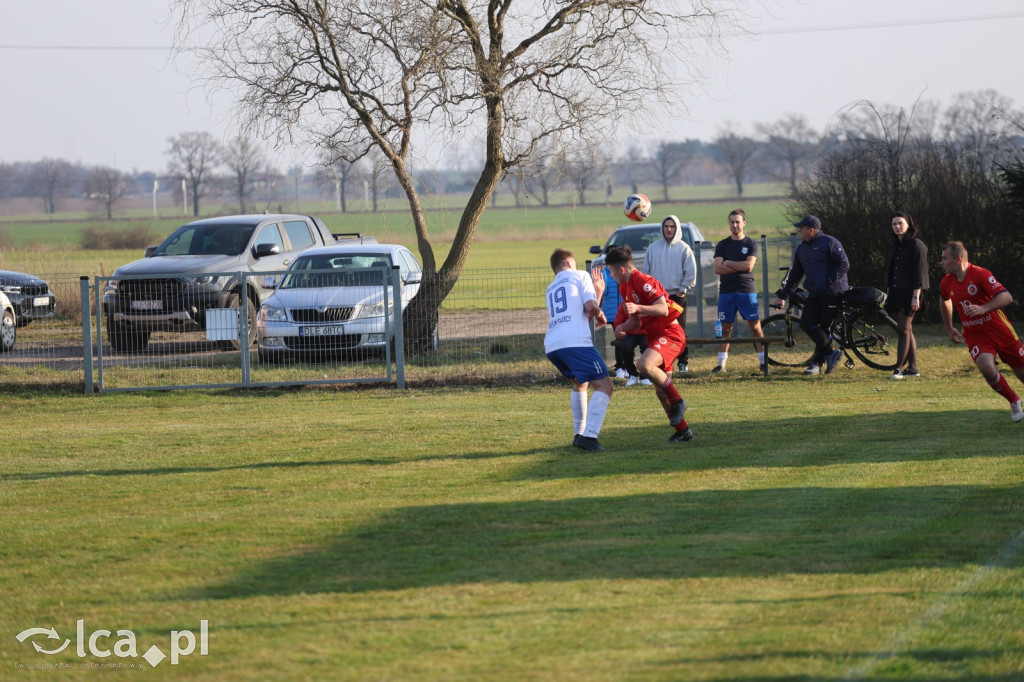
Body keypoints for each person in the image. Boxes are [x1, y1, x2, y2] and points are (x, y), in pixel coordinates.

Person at [604, 245, 693, 442]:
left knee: (643, 365)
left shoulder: (644, 281)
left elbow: (662, 309)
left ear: (621, 270)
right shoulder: (624, 286)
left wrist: (637, 306)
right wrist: (623, 328)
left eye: (610, 271)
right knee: (661, 392)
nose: (610, 275)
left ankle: (678, 401)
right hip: (655, 336)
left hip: (670, 332)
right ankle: (683, 431)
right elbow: (636, 320)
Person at [939, 241, 1024, 422]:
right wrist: (949, 328)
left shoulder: (980, 274)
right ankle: (1014, 400)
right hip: (975, 335)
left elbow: (1006, 297)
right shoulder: (947, 282)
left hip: (1000, 330)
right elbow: (944, 300)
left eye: (945, 258)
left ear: (958, 259)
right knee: (986, 368)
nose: (941, 262)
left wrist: (984, 308)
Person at [544, 248, 614, 452]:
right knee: (605, 386)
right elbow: (591, 309)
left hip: (553, 345)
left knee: (581, 382)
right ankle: (589, 437)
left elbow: (580, 317)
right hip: (574, 342)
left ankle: (579, 434)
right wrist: (600, 310)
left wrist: (598, 294)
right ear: (568, 264)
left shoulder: (551, 288)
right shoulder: (581, 275)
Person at [774, 215, 850, 375]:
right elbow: (795, 274)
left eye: (801, 228)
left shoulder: (829, 242)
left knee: (824, 328)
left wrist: (830, 281)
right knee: (807, 323)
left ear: (811, 230)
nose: (799, 231)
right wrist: (782, 295)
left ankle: (816, 363)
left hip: (832, 292)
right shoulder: (802, 248)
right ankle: (831, 353)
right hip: (815, 292)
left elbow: (843, 264)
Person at [712, 208, 765, 373]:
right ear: (729, 223)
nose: (735, 225)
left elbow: (749, 266)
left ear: (744, 223)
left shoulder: (750, 244)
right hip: (726, 292)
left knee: (755, 327)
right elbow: (717, 269)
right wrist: (738, 265)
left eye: (738, 222)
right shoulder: (722, 244)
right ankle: (721, 365)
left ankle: (763, 362)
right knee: (725, 328)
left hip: (746, 290)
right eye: (732, 222)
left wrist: (729, 263)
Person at [641, 215, 696, 373]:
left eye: (672, 226)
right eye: (666, 226)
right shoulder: (653, 249)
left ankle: (683, 362)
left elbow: (690, 273)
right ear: (662, 228)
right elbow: (647, 273)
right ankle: (661, 361)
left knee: (680, 331)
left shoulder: (684, 248)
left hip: (676, 297)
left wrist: (682, 290)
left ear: (677, 228)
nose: (669, 229)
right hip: (658, 299)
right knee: (658, 331)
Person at [885, 211, 929, 379]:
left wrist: (916, 296)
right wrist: (889, 293)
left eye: (900, 223)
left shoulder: (917, 245)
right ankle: (913, 368)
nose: (897, 227)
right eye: (894, 224)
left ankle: (898, 369)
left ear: (908, 224)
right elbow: (891, 271)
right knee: (907, 330)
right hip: (896, 292)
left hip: (910, 293)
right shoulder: (895, 245)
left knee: (903, 329)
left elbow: (921, 272)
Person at [592, 264, 650, 385]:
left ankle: (645, 376)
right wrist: (620, 328)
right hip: (631, 332)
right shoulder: (626, 297)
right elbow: (620, 316)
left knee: (646, 347)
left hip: (645, 331)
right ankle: (633, 375)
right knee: (625, 347)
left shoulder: (646, 295)